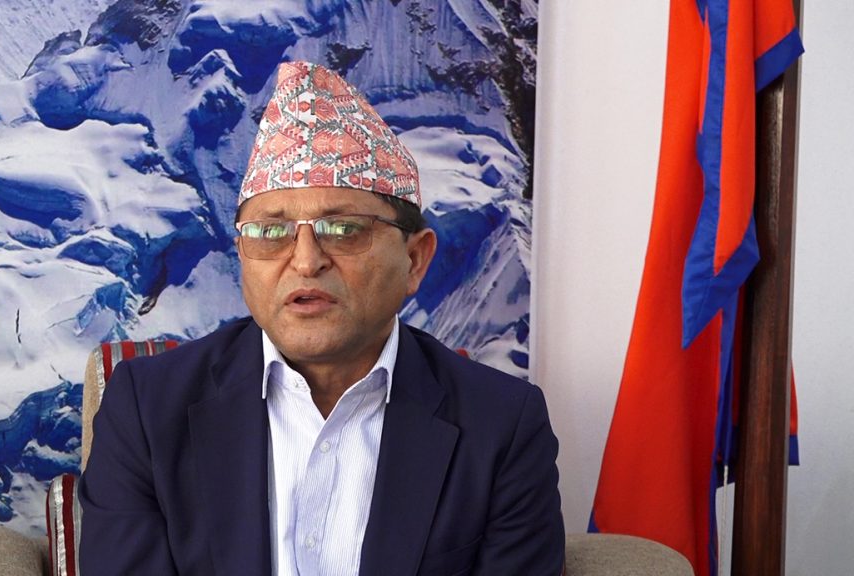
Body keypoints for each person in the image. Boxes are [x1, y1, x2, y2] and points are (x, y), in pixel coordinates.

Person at [79, 61, 564, 575]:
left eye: (344, 229)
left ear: (415, 260)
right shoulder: (147, 409)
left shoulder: (502, 424)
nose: (306, 261)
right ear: (242, 256)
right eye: (272, 233)